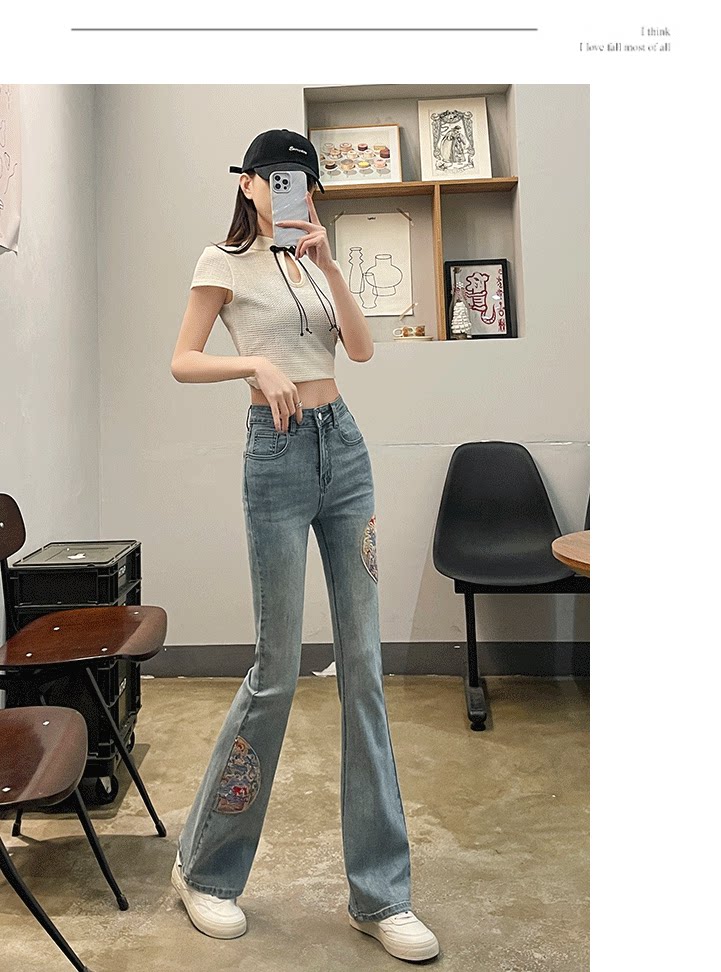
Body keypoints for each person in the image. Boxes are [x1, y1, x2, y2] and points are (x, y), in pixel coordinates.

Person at [169, 129, 439, 962]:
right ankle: (205, 871)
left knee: (364, 667)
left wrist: (329, 265)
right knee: (276, 669)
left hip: (344, 451)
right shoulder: (222, 262)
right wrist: (253, 365)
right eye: (277, 178)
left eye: (303, 181)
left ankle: (380, 894)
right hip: (277, 455)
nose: (291, 191)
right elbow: (182, 360)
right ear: (248, 184)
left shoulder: (317, 261)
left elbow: (358, 348)